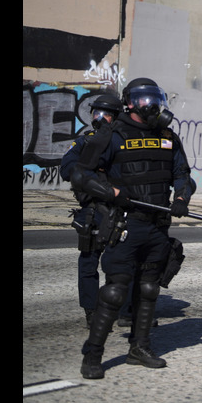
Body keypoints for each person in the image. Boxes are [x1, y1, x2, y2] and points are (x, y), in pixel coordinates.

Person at [71, 78, 194, 379]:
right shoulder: (112, 135)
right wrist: (111, 193)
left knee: (149, 287)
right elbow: (80, 174)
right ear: (129, 103)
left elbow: (183, 174)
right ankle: (93, 356)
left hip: (157, 225)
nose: (151, 105)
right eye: (143, 100)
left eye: (154, 99)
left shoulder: (167, 137)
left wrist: (181, 196)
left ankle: (139, 347)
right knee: (115, 291)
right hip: (126, 223)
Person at [61, 91, 123, 328]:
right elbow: (67, 169)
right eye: (97, 113)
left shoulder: (123, 142)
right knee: (88, 261)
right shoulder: (85, 141)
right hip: (95, 209)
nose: (100, 118)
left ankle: (127, 310)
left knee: (125, 261)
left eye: (106, 115)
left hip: (121, 207)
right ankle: (91, 310)